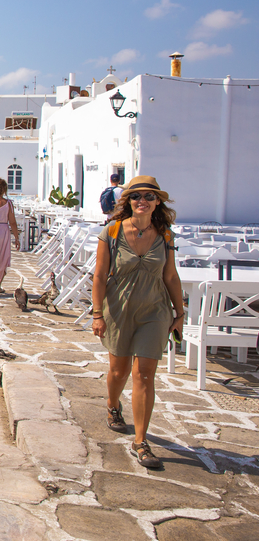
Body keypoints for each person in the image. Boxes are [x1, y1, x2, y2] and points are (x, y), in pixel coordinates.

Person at [90, 176, 184, 469]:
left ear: (158, 202)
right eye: (136, 196)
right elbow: (100, 275)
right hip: (119, 309)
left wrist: (179, 314)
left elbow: (170, 276)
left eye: (149, 196)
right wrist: (97, 313)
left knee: (144, 374)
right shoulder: (113, 231)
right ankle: (113, 405)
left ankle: (141, 442)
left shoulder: (165, 235)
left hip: (154, 311)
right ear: (128, 201)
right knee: (118, 372)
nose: (142, 200)